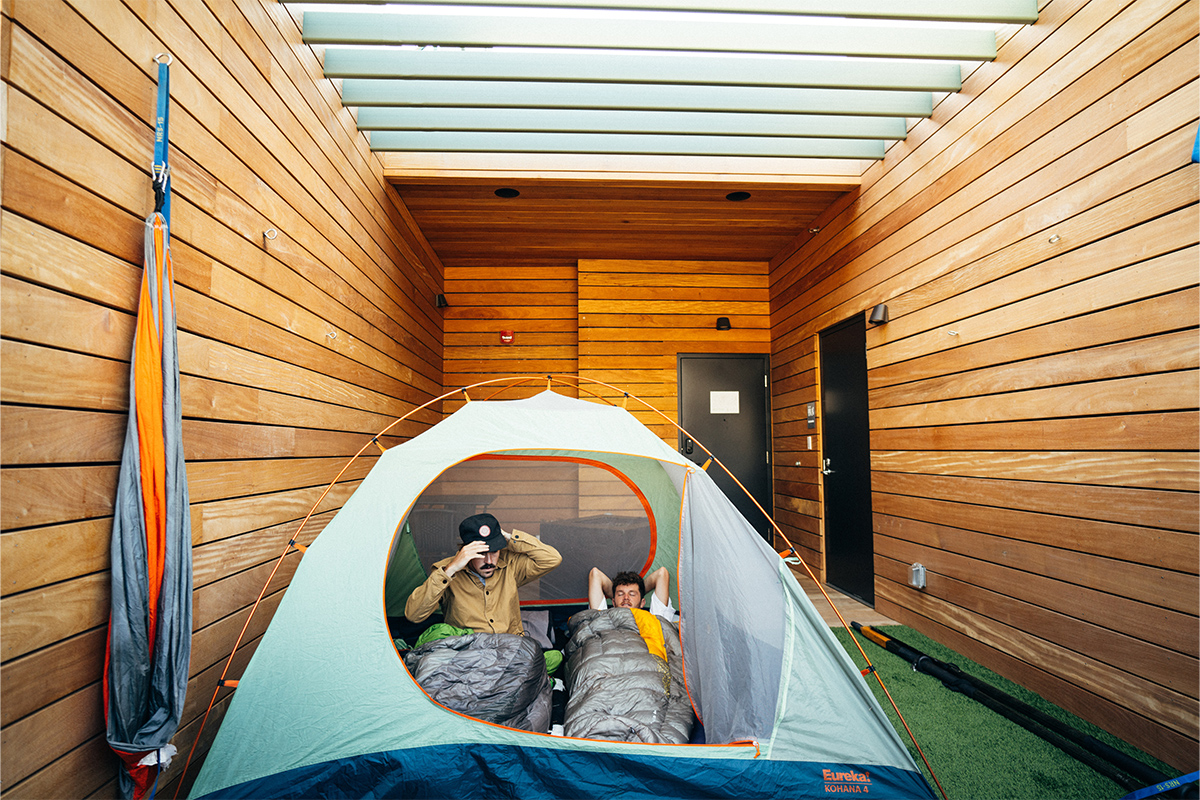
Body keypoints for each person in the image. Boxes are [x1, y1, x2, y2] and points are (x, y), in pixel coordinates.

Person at [405, 512, 562, 636]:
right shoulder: (446, 570)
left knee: (552, 658)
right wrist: (451, 569)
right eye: (481, 553)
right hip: (468, 653)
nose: (489, 560)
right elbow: (414, 615)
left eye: (494, 551)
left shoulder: (509, 565)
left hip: (510, 649)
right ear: (465, 551)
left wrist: (509, 537)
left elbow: (552, 559)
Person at [587, 566, 678, 622]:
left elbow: (661, 574)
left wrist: (640, 591)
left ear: (642, 602)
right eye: (621, 594)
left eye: (632, 594)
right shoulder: (602, 619)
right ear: (613, 602)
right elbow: (595, 574)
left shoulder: (656, 619)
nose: (626, 597)